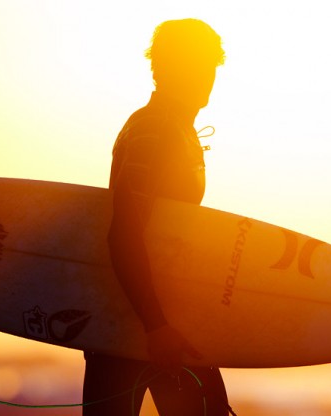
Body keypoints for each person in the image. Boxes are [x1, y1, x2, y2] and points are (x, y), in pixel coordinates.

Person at [83, 19, 230, 416]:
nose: (202, 77)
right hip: (135, 329)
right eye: (190, 65)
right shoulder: (154, 130)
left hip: (160, 324)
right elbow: (125, 233)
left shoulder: (177, 128)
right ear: (160, 69)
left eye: (207, 65)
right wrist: (155, 326)